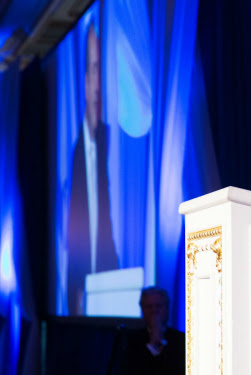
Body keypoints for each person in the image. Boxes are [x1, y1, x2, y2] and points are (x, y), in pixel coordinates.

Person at [66, 22, 118, 315]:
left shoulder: (115, 145)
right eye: (94, 70)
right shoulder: (76, 154)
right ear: (85, 80)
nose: (98, 86)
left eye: (103, 72)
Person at [118, 286, 185, 375]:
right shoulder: (130, 340)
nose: (154, 311)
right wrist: (152, 345)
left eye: (158, 306)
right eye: (149, 306)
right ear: (142, 310)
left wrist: (160, 341)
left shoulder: (181, 339)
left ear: (167, 309)